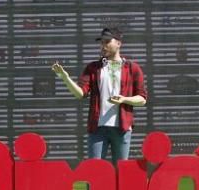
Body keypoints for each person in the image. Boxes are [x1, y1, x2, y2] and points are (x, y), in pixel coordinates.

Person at [52, 26, 147, 165]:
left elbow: (142, 99)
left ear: (119, 43)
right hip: (97, 129)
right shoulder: (93, 67)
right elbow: (80, 93)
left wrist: (124, 99)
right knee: (94, 172)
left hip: (122, 129)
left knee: (120, 172)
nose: (103, 45)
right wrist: (65, 78)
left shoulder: (133, 68)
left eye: (107, 42)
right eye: (101, 42)